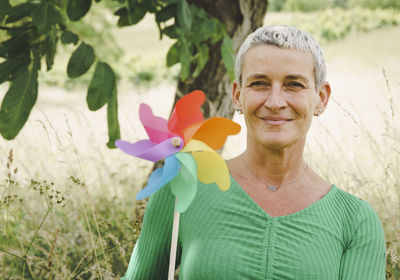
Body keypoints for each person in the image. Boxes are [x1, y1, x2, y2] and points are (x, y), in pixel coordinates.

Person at [121, 26, 386, 279]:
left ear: (321, 98)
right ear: (237, 95)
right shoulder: (181, 191)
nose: (274, 102)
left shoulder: (356, 221)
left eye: (294, 84)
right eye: (259, 83)